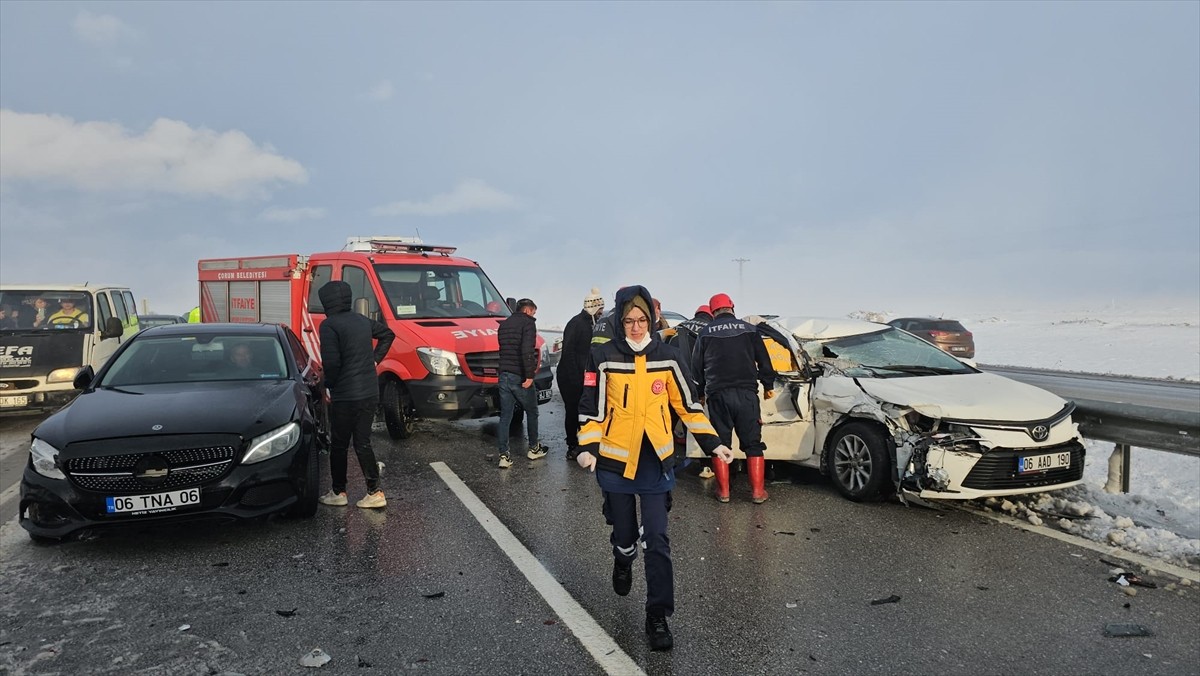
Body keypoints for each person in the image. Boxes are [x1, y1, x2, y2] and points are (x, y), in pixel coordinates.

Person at [575, 285, 733, 652]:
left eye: (641, 319)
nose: (635, 326)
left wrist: (713, 443)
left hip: (655, 463)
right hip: (614, 461)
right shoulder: (601, 356)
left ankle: (657, 615)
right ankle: (622, 557)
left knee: (658, 541)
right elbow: (591, 406)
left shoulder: (669, 355)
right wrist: (587, 446)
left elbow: (688, 406)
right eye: (628, 320)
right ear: (619, 320)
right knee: (626, 536)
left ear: (651, 318)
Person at [316, 280, 396, 510]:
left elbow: (332, 362)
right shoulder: (361, 321)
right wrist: (374, 359)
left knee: (339, 445)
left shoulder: (329, 325)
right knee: (363, 442)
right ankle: (375, 491)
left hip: (345, 394)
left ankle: (339, 491)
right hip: (369, 392)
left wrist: (329, 385)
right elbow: (388, 334)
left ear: (327, 302)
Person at [692, 292, 777, 504]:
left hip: (718, 395)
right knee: (753, 444)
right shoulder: (750, 329)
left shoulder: (705, 332)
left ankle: (724, 492)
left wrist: (700, 393)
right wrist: (768, 385)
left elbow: (696, 369)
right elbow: (764, 360)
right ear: (732, 307)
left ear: (712, 312)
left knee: (720, 442)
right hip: (746, 394)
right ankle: (757, 492)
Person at [496, 297, 546, 468]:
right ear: (527, 310)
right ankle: (533, 448)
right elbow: (527, 351)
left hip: (504, 374)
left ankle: (504, 456)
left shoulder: (504, 324)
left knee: (505, 416)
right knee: (532, 411)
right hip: (519, 375)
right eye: (533, 312)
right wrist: (529, 375)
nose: (534, 315)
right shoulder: (528, 323)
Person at [556, 287, 605, 461]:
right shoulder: (576, 324)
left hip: (583, 375)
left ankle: (583, 443)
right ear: (593, 307)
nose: (601, 313)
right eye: (600, 309)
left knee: (583, 410)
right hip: (570, 377)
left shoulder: (593, 324)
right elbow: (568, 353)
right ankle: (572, 446)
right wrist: (576, 379)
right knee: (572, 410)